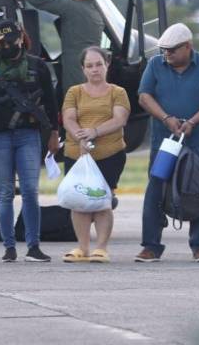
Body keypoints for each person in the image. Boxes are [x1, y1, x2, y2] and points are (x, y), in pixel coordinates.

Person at [0, 19, 60, 262]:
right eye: (1, 41)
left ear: (21, 38)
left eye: (11, 39)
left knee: (29, 190)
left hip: (28, 134)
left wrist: (54, 133)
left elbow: (51, 102)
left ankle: (33, 246)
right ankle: (9, 247)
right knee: (5, 192)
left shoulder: (37, 66)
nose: (7, 45)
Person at [135, 23, 199, 263]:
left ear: (188, 47)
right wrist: (166, 118)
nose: (167, 54)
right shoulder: (155, 64)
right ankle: (151, 246)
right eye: (164, 49)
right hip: (164, 142)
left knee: (197, 189)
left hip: (195, 141)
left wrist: (193, 121)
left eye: (172, 50)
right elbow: (144, 96)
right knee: (156, 188)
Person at [61, 46, 130, 263]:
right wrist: (81, 137)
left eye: (99, 64)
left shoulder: (118, 92)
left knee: (102, 201)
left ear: (107, 65)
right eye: (89, 66)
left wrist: (94, 132)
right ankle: (82, 248)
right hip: (77, 154)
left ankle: (101, 248)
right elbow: (69, 118)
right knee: (79, 201)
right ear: (83, 69)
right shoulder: (74, 92)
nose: (95, 70)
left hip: (109, 153)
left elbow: (119, 119)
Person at [17, 0, 105, 96]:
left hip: (74, 68)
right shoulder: (96, 15)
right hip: (91, 70)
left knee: (74, 103)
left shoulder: (71, 7)